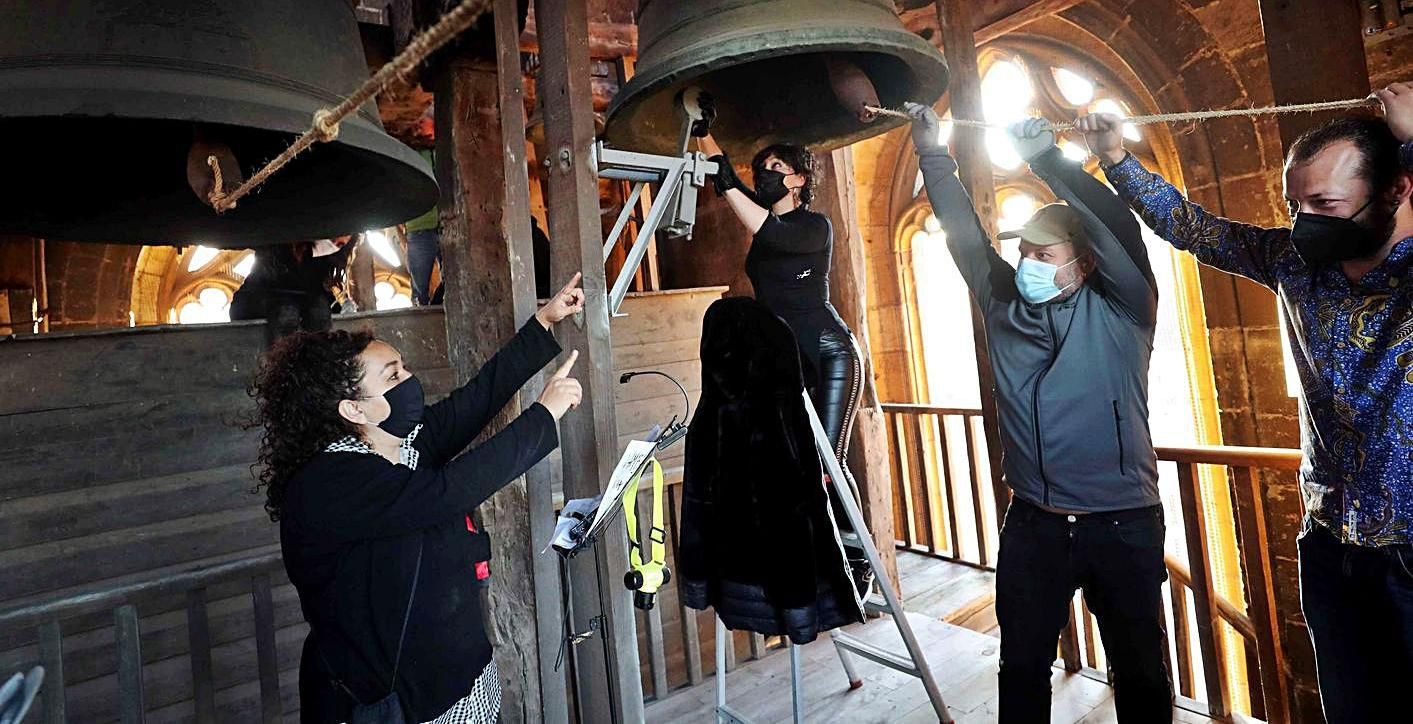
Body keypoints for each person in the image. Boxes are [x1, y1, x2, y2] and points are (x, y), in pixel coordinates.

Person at [1077, 82, 1413, 724]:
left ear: (1396, 189)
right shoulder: (1296, 262)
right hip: (1331, 543)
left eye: (1324, 202)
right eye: (1295, 204)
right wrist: (1117, 159)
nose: (1303, 220)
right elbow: (1193, 228)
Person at [907, 104, 1170, 723]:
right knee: (1022, 668)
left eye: (1045, 255)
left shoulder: (1128, 309)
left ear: (1083, 264)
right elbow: (962, 230)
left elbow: (1115, 226)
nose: (1028, 265)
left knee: (1140, 672)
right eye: (1024, 251)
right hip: (1034, 525)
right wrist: (930, 152)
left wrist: (1047, 161)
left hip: (1123, 524)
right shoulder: (1002, 301)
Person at [250, 273, 588, 723]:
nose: (409, 380)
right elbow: (449, 491)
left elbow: (472, 402)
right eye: (393, 376)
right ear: (353, 409)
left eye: (403, 367)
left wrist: (544, 322)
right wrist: (544, 415)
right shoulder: (328, 483)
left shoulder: (395, 445)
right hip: (402, 702)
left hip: (461, 677)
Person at [694, 127, 872, 594]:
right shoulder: (764, 226)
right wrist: (704, 134)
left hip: (831, 354)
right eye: (762, 170)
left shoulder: (813, 227)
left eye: (776, 169)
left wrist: (726, 174)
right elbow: (743, 198)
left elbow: (761, 224)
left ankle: (858, 559)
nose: (766, 176)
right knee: (796, 460)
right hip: (790, 362)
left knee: (826, 463)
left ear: (797, 181)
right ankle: (825, 554)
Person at [231, 237, 353, 343]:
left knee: (319, 312)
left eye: (339, 245)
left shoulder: (324, 263)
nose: (332, 246)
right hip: (261, 299)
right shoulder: (275, 250)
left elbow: (320, 299)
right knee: (286, 313)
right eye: (332, 240)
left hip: (301, 305)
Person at [405, 148, 442, 306]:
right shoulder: (409, 152)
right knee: (420, 291)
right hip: (420, 228)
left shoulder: (442, 149)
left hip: (447, 225)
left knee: (454, 281)